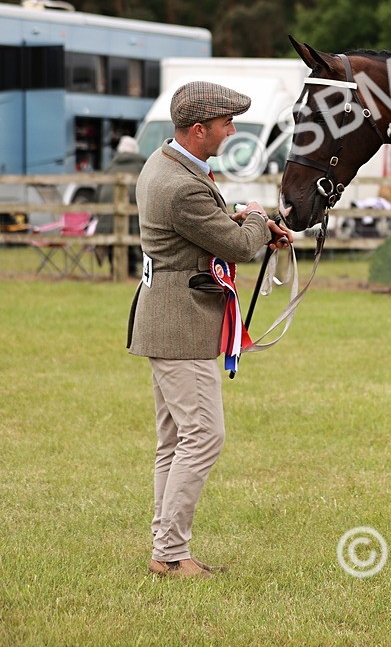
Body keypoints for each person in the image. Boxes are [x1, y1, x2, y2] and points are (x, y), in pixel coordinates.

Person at [127, 81, 291, 580]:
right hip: (183, 324)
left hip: (165, 317)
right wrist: (259, 219)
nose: (232, 130)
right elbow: (239, 247)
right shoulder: (181, 185)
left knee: (176, 440)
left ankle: (167, 549)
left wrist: (239, 216)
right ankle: (171, 554)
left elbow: (212, 226)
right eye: (226, 123)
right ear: (199, 130)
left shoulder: (167, 162)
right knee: (203, 437)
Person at [96, 136, 146, 276]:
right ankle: (130, 270)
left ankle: (115, 270)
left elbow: (97, 195)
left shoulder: (110, 168)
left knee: (114, 234)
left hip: (106, 217)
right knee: (132, 232)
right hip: (134, 215)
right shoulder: (141, 168)